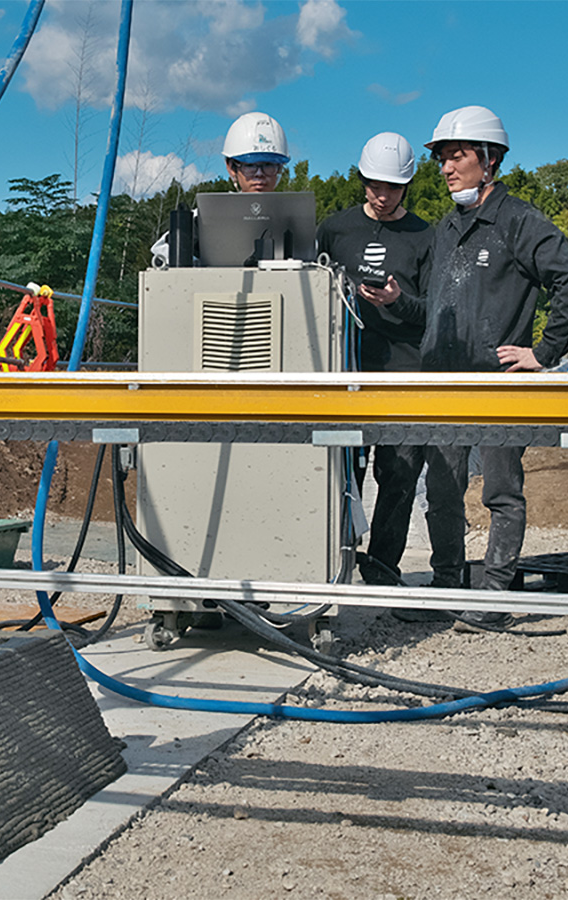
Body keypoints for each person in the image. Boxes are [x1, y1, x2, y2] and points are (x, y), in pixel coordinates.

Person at [417, 105, 568, 629]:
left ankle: (494, 594)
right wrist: (390, 302)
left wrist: (544, 352)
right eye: (443, 159)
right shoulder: (445, 229)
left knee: (500, 491)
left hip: (500, 386)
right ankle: (449, 583)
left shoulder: (519, 222)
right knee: (443, 491)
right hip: (444, 385)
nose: (448, 168)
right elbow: (431, 309)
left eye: (458, 156)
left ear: (489, 160)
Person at [315, 133, 460, 617]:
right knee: (340, 469)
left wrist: (400, 300)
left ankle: (381, 568)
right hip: (346, 367)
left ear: (408, 186)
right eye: (376, 185)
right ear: (362, 180)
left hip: (405, 371)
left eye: (393, 187)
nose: (383, 195)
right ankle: (330, 566)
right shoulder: (334, 230)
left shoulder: (425, 237)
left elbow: (437, 310)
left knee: (398, 474)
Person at [151, 111, 290, 264]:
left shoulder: (295, 220)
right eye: (250, 165)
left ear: (279, 168)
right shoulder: (204, 218)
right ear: (231, 167)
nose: (259, 174)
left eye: (268, 165)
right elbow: (163, 250)